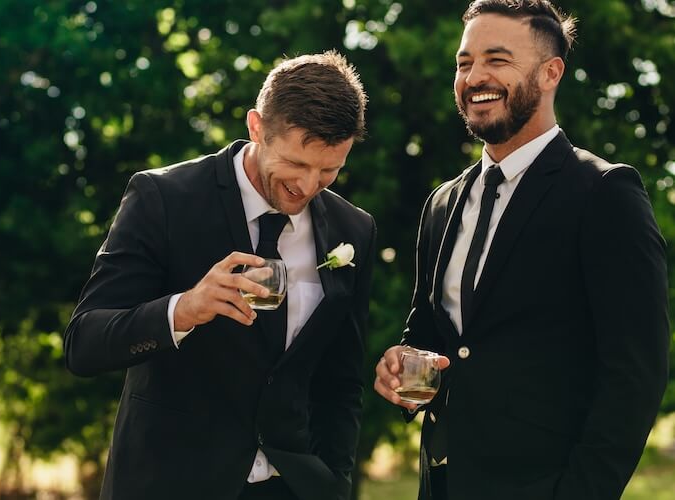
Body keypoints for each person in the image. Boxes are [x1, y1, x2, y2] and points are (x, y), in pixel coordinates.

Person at [373, 1, 670, 499]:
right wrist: (402, 364)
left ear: (551, 71)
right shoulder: (442, 203)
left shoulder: (604, 193)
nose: (474, 76)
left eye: (497, 59)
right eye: (464, 63)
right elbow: (430, 334)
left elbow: (635, 374)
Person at [64, 51, 375, 500]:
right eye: (297, 164)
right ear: (256, 127)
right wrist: (183, 310)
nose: (308, 187)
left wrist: (334, 482)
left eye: (329, 170)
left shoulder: (354, 230)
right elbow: (84, 343)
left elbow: (342, 381)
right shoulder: (163, 199)